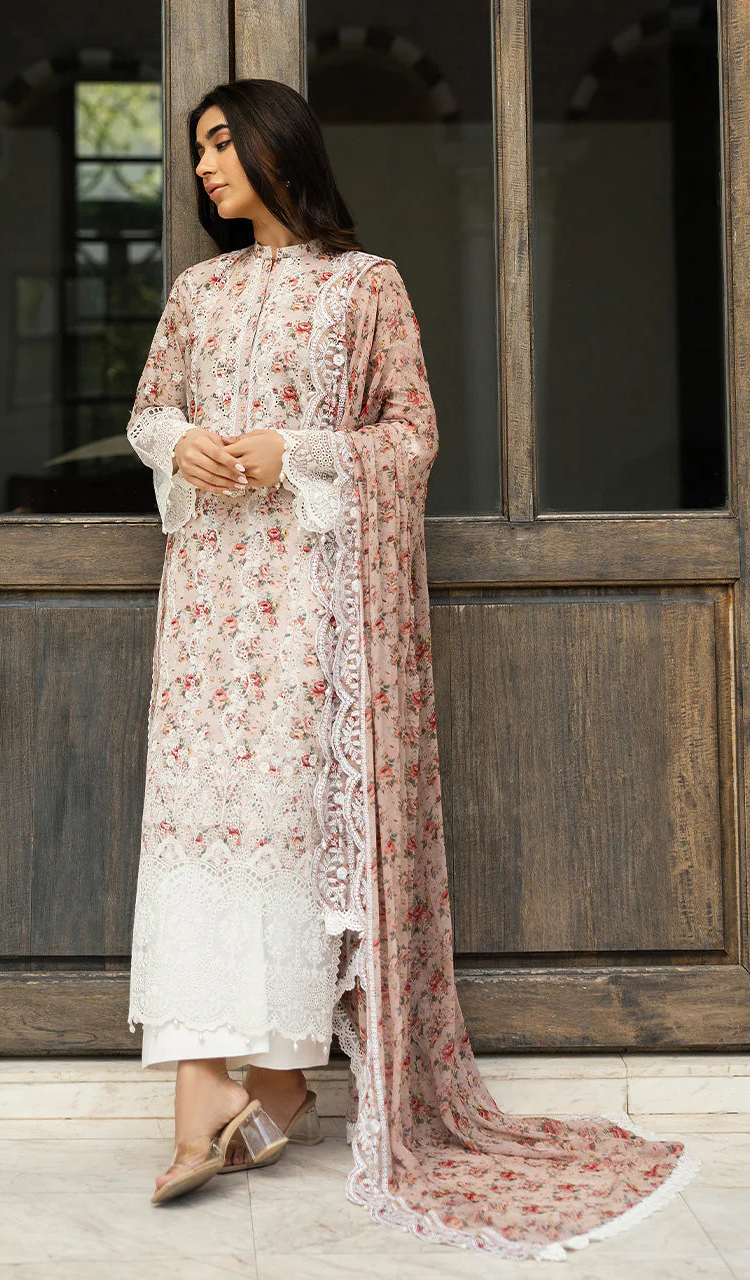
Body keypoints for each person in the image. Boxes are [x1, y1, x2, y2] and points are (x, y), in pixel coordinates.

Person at [126, 77, 700, 1259]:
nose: (206, 166)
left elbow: (411, 435)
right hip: (208, 607)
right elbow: (148, 411)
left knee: (290, 827)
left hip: (312, 606)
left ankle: (270, 1078)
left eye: (223, 143)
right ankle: (217, 1080)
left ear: (280, 145)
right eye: (198, 151)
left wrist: (293, 448)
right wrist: (185, 445)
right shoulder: (196, 292)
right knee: (198, 823)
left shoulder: (364, 285)